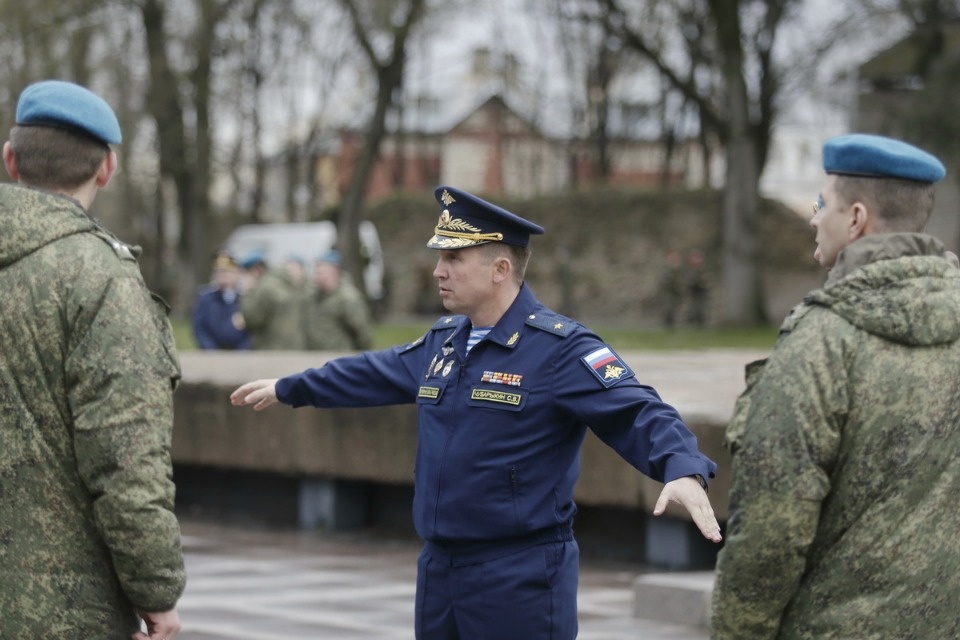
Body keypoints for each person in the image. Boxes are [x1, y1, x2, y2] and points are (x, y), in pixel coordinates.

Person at [231, 185, 722, 640]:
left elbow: (638, 410)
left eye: (453, 257)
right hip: (440, 571)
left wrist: (681, 467)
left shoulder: (557, 349)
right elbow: (371, 373)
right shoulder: (445, 342)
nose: (438, 271)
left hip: (519, 575)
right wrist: (289, 387)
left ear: (500, 269)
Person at [712, 134, 960, 638]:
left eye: (822, 204)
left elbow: (770, 535)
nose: (812, 217)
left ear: (856, 220)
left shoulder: (822, 345)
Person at [0, 80, 185, 638]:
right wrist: (156, 590)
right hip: (55, 606)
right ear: (106, 168)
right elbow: (125, 459)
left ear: (11, 160)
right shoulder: (99, 279)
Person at [303, 249, 373, 351]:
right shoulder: (314, 296)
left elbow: (363, 333)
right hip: (315, 356)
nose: (316, 276)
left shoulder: (347, 298)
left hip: (339, 357)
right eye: (316, 272)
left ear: (334, 271)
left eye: (320, 272)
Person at [238, 249, 306, 350]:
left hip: (272, 350)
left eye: (246, 273)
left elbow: (252, 318)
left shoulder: (265, 287)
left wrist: (247, 293)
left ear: (255, 270)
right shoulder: (283, 282)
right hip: (293, 347)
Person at [191, 251, 252, 350]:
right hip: (212, 355)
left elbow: (253, 330)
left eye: (227, 271)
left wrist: (242, 352)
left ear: (237, 273)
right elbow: (199, 328)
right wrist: (211, 351)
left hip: (241, 355)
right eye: (219, 272)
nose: (223, 275)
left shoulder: (245, 298)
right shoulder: (206, 298)